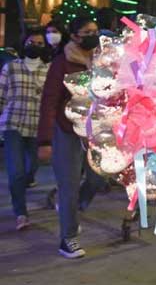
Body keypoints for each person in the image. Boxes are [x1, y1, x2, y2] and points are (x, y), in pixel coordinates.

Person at [37, 16, 107, 258]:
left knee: (99, 178)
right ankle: (68, 239)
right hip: (66, 132)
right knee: (68, 185)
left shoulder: (102, 61)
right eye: (87, 32)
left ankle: (73, 210)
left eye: (95, 31)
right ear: (75, 36)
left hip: (95, 131)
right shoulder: (62, 63)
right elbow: (49, 102)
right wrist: (45, 140)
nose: (93, 35)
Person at [1, 28, 52, 230]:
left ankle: (28, 180)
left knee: (32, 167)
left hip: (37, 127)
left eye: (40, 43)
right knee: (16, 171)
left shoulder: (49, 70)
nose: (35, 46)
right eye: (32, 42)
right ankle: (21, 213)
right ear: (24, 43)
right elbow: (1, 94)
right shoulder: (11, 67)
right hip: (12, 124)